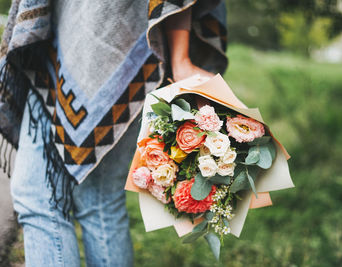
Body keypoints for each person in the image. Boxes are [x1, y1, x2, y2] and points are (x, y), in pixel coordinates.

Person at [0, 0, 227, 266]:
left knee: (39, 198)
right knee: (100, 201)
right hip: (135, 56)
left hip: (117, 48)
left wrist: (180, 59)